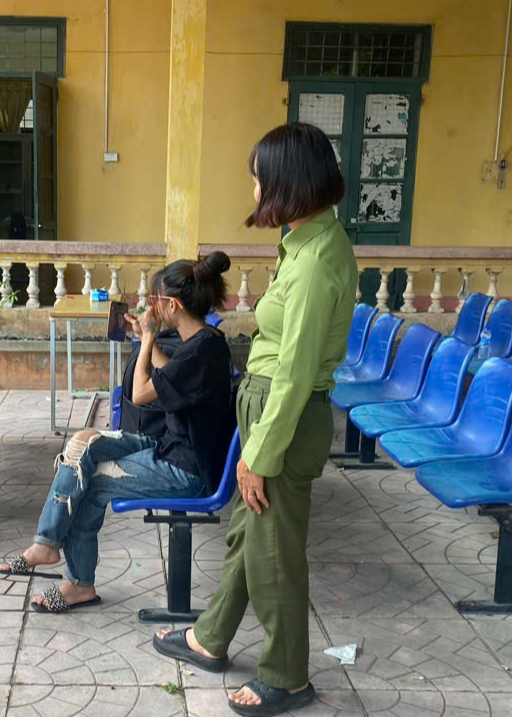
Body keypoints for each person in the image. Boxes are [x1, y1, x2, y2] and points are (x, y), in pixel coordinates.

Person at [152, 123, 357, 717]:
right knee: (250, 537)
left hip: (282, 418)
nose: (255, 188)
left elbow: (294, 371)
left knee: (275, 556)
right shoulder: (303, 245)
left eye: (259, 177)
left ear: (288, 181)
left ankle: (288, 677)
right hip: (270, 411)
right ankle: (209, 638)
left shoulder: (315, 261)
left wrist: (260, 456)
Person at [0, 252, 237, 613]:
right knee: (83, 442)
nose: (150, 305)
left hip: (188, 470)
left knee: (93, 480)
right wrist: (147, 340)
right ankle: (46, 543)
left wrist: (146, 340)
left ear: (172, 304)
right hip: (172, 447)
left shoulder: (201, 352)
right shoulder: (206, 341)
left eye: (154, 299)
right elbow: (172, 373)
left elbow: (139, 393)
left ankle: (79, 584)